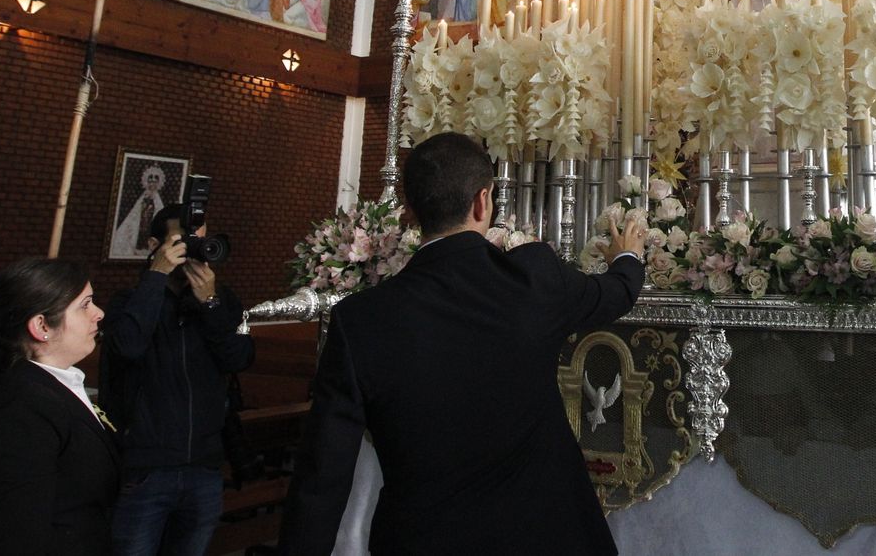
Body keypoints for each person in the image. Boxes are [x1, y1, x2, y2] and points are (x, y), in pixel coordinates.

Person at [278, 131, 647, 556]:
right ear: (482, 201)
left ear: (410, 213)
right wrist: (627, 254)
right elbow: (615, 293)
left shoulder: (360, 319)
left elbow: (322, 477)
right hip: (547, 534)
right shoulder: (534, 279)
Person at [100, 206, 255, 556]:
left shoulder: (221, 300)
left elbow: (239, 358)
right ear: (154, 244)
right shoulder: (129, 301)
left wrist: (211, 304)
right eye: (181, 243)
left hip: (204, 466)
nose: (193, 251)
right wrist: (155, 277)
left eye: (199, 242)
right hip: (146, 469)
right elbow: (128, 348)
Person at [0, 257, 117, 556]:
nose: (99, 314)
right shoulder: (20, 410)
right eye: (85, 304)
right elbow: (16, 536)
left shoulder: (52, 385)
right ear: (41, 325)